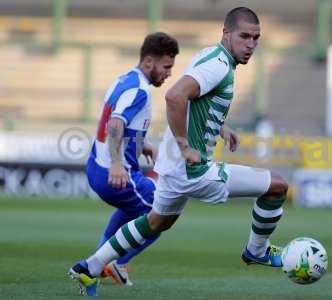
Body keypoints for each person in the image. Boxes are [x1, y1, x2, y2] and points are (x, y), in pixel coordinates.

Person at [69, 7, 288, 297]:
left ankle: (89, 267)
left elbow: (197, 102)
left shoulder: (211, 56)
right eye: (244, 36)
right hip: (193, 169)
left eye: (256, 38)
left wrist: (222, 127)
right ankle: (256, 251)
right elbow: (175, 96)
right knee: (277, 186)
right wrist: (186, 146)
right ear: (226, 34)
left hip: (172, 167)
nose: (251, 44)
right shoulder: (218, 65)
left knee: (155, 222)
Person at [75, 32, 179, 290]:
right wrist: (117, 164)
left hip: (95, 167)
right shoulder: (140, 91)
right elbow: (114, 124)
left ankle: (103, 263)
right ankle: (106, 263)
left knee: (138, 210)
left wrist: (141, 144)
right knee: (164, 212)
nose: (169, 74)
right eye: (166, 67)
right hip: (115, 174)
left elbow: (115, 122)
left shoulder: (124, 79)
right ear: (148, 63)